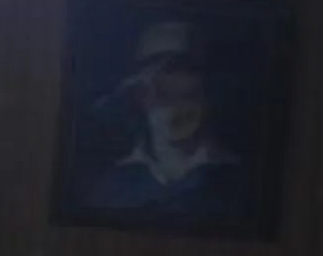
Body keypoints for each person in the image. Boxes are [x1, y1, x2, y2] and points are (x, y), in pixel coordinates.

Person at [82, 20, 249, 224]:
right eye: (164, 95)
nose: (175, 108)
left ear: (206, 98)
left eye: (189, 95)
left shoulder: (238, 182)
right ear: (142, 97)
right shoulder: (110, 186)